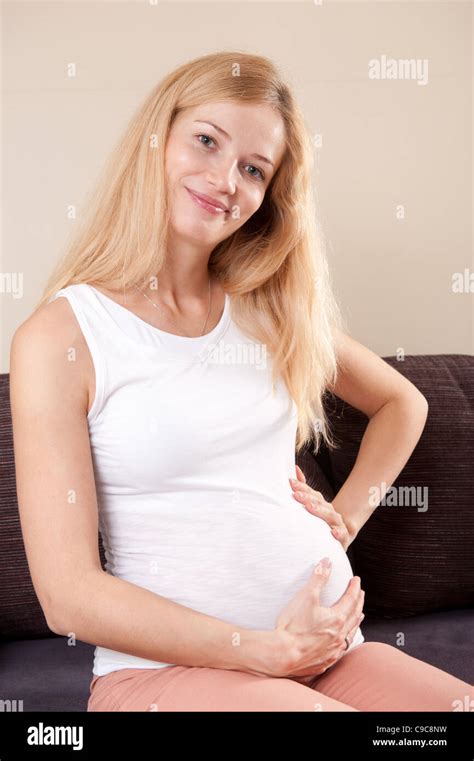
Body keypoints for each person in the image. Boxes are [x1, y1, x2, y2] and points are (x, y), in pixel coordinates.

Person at [10, 51, 473, 712]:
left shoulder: (266, 310)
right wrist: (261, 649)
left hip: (331, 657)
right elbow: (67, 594)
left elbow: (404, 402)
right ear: (156, 138)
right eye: (206, 141)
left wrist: (341, 519)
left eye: (253, 169)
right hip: (157, 676)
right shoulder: (62, 337)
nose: (226, 180)